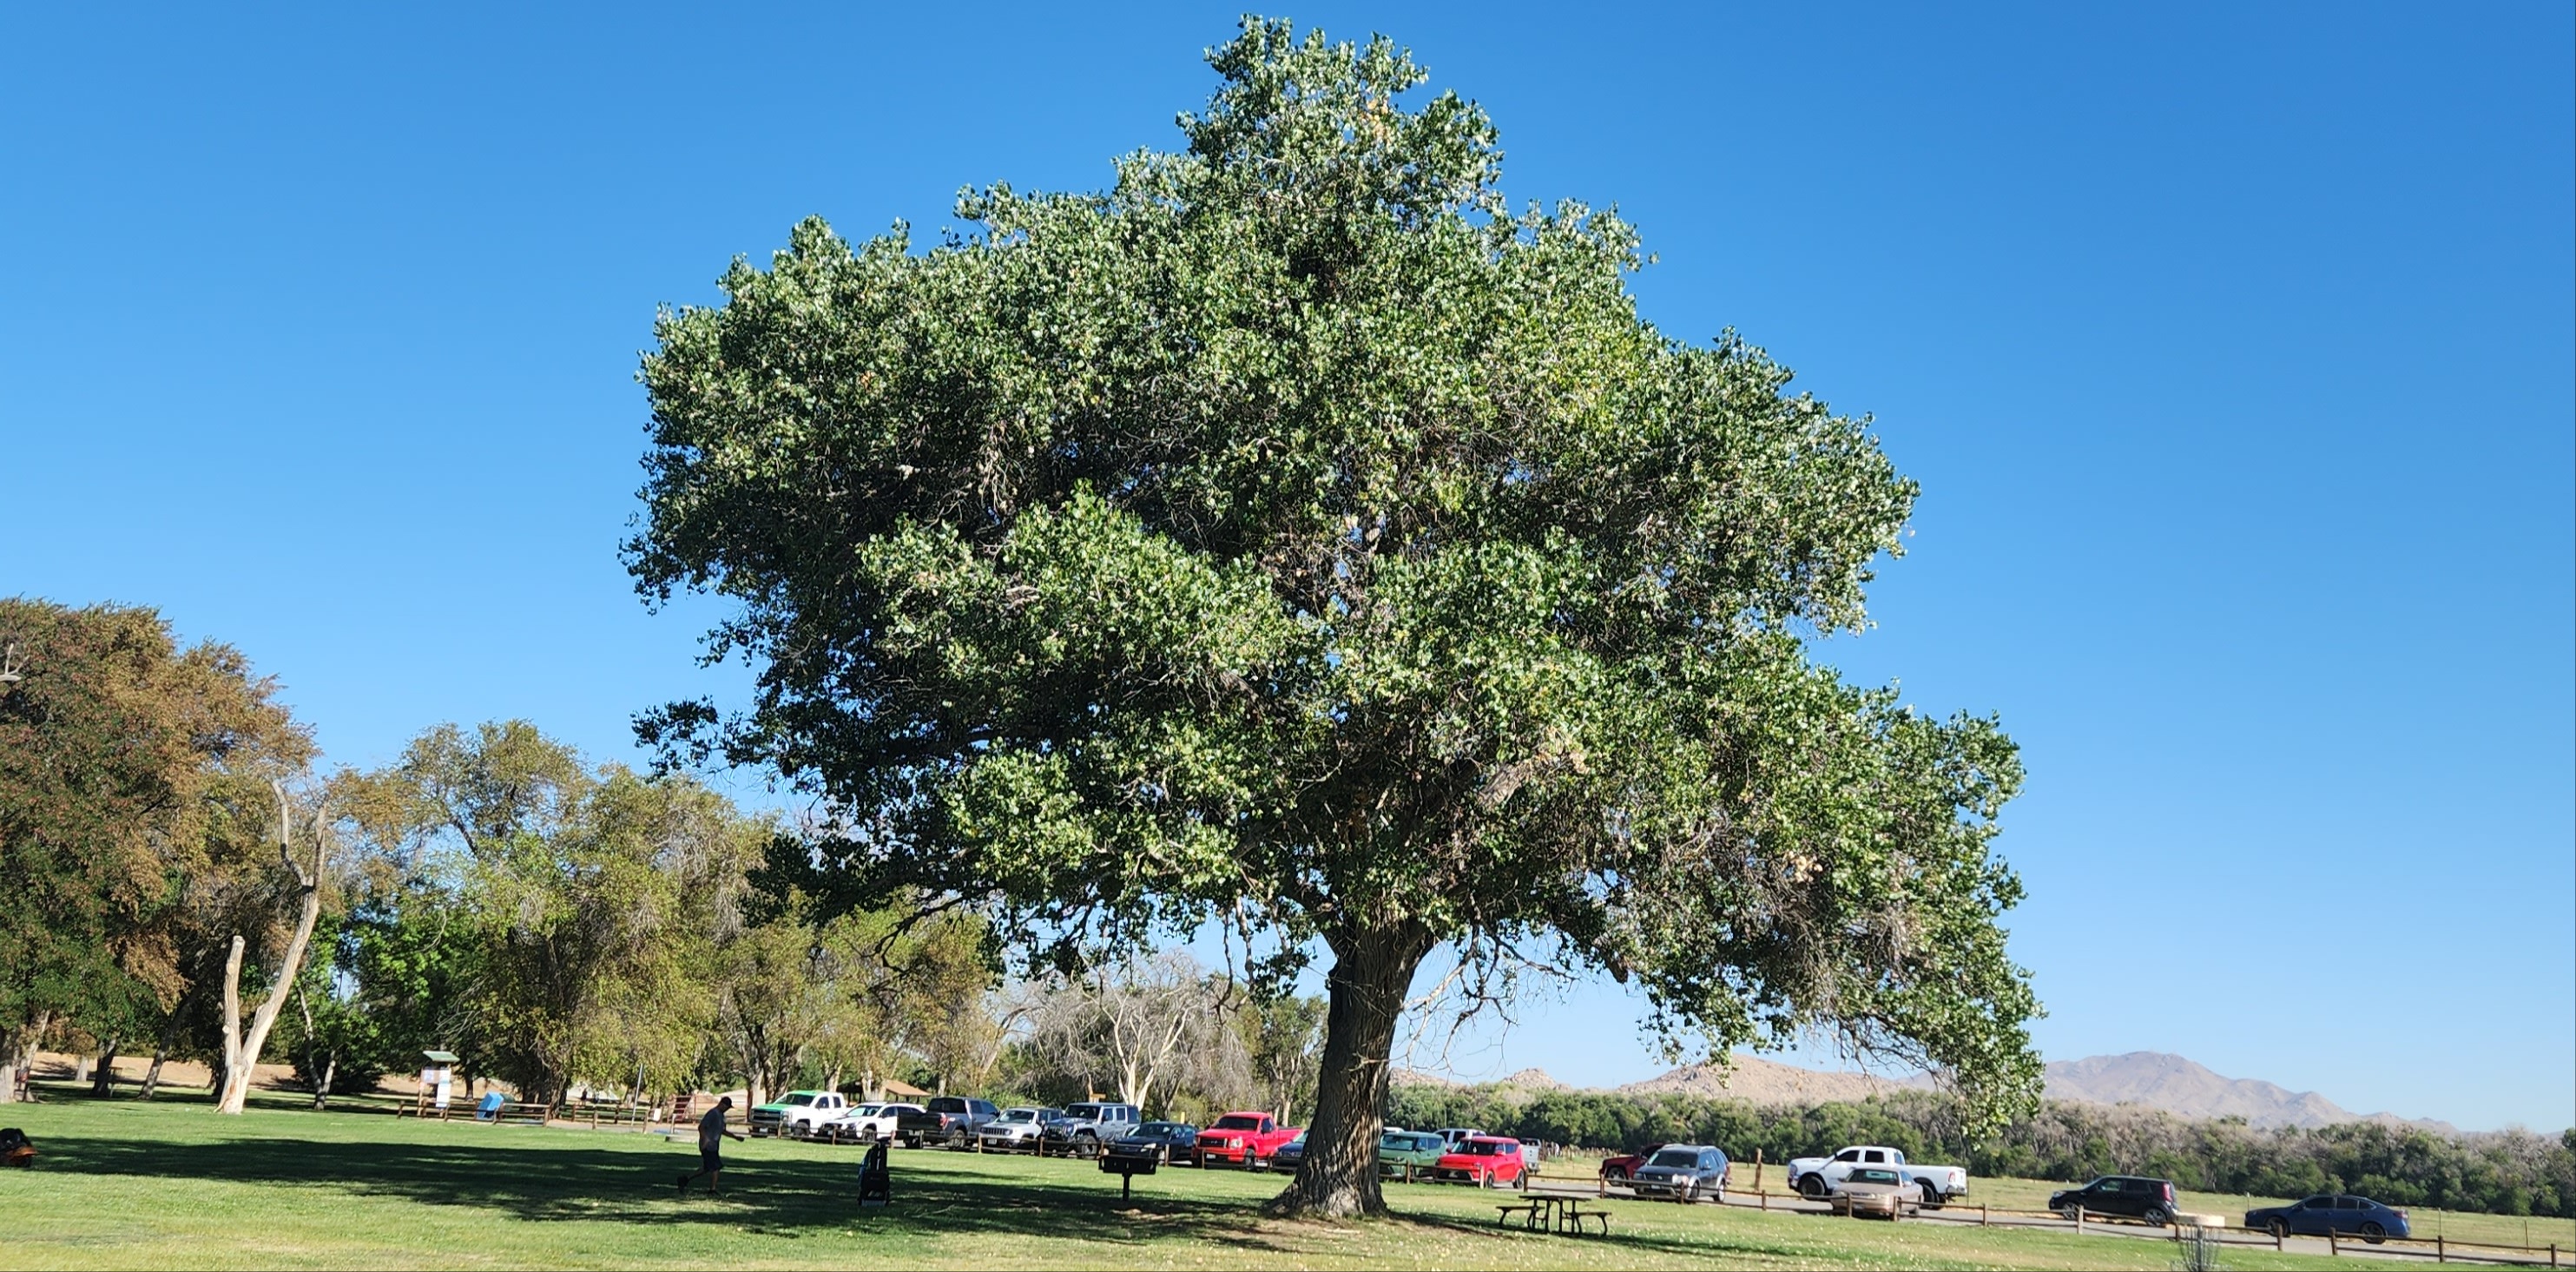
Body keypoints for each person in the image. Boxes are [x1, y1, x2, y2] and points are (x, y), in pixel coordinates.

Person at [677, 1096, 746, 1196]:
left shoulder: (721, 1116)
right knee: (716, 1167)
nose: (727, 1109)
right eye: (726, 1107)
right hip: (708, 1145)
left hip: (714, 1145)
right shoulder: (713, 1113)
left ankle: (685, 1179)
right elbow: (701, 1127)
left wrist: (735, 1137)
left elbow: (722, 1131)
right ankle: (712, 1190)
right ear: (721, 1104)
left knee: (707, 1168)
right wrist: (705, 1139)